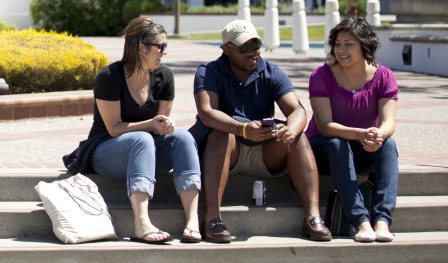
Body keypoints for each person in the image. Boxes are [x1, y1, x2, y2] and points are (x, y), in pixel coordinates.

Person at [189, 19, 331, 243]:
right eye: (244, 47)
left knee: (298, 137)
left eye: (256, 45)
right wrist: (242, 129)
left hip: (264, 151)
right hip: (226, 151)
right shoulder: (209, 72)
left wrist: (290, 131)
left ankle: (313, 217)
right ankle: (212, 219)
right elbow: (207, 112)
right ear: (226, 49)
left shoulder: (271, 72)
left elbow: (297, 110)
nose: (252, 52)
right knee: (219, 134)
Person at [75, 17, 202, 244]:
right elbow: (114, 129)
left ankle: (192, 220)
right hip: (106, 153)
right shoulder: (109, 77)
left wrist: (166, 126)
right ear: (142, 48)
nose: (164, 52)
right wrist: (151, 124)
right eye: (160, 47)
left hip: (147, 153)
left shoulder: (164, 77)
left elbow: (161, 124)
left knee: (183, 136)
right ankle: (141, 222)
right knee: (141, 139)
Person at [307, 17, 398, 243]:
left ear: (364, 45)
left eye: (348, 44)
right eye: (337, 44)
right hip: (323, 150)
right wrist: (360, 133)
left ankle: (382, 221)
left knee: (389, 145)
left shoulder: (383, 75)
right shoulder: (321, 75)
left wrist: (379, 134)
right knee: (338, 143)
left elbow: (389, 122)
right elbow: (326, 127)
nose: (341, 50)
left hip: (363, 146)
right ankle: (361, 222)